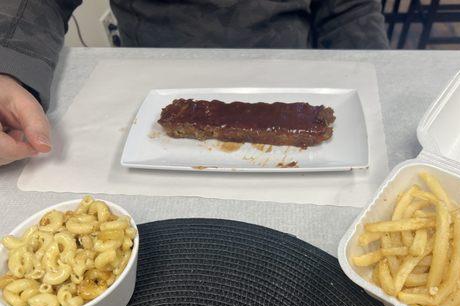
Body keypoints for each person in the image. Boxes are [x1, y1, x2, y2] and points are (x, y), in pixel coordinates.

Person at [0, 0, 388, 166]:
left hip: (292, 66)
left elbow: (349, 11)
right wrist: (8, 64)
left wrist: (374, 75)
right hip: (150, 70)